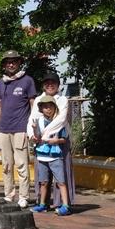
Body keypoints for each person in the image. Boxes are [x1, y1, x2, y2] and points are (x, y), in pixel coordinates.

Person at [0, 50, 37, 208]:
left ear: (19, 63)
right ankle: (9, 194)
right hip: (3, 129)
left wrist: (33, 127)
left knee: (22, 164)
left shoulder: (27, 81)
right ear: (4, 65)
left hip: (20, 128)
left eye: (14, 61)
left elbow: (33, 105)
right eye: (8, 62)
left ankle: (24, 196)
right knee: (6, 165)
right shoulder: (0, 83)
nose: (11, 64)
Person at [27, 72, 75, 206]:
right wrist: (33, 136)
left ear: (58, 85)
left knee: (62, 175)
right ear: (43, 86)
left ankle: (63, 203)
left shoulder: (63, 100)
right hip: (41, 144)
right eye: (47, 83)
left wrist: (44, 136)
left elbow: (60, 120)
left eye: (53, 83)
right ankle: (42, 202)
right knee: (42, 177)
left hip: (59, 141)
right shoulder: (38, 100)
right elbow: (33, 120)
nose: (50, 85)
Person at [29, 95, 71, 216]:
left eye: (50, 106)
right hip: (42, 155)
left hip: (55, 156)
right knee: (43, 182)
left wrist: (56, 141)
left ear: (55, 108)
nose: (48, 109)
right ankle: (42, 204)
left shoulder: (59, 122)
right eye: (45, 107)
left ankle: (66, 205)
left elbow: (64, 138)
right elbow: (37, 138)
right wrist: (34, 132)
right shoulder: (38, 121)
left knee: (61, 181)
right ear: (41, 109)